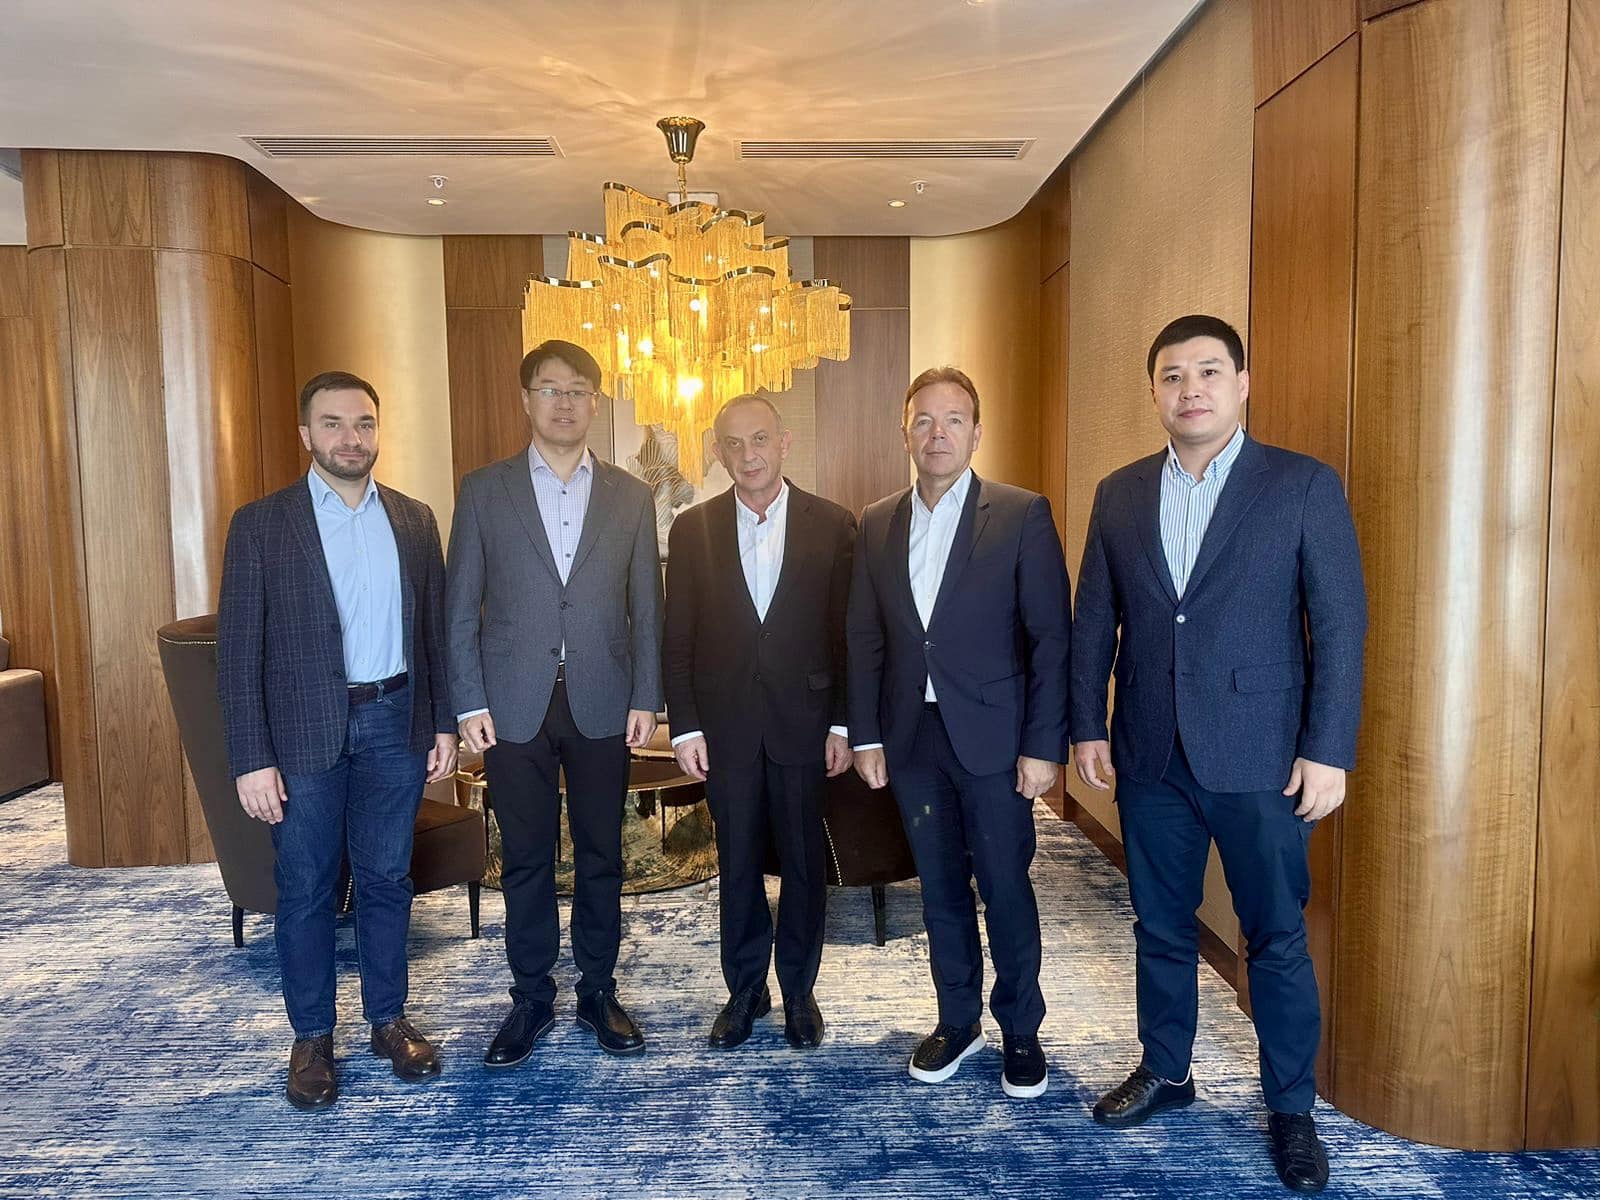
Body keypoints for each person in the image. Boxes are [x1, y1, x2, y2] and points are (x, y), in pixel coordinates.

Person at [1069, 314, 1367, 1194]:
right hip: (1151, 754)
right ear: (1154, 393)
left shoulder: (1301, 485)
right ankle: (1168, 1070)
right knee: (1159, 926)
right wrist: (1087, 724)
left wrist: (1328, 748)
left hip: (1264, 757)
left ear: (1241, 385)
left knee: (1274, 936)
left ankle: (1291, 1108)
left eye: (1207, 372)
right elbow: (1094, 621)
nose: (1189, 389)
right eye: (1172, 376)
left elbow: (1339, 624)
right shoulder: (1120, 493)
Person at [218, 370, 457, 1110]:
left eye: (363, 424)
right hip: (300, 735)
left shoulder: (415, 520)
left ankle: (388, 1020)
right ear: (306, 435)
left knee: (387, 878)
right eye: (333, 424)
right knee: (307, 887)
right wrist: (251, 758)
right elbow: (238, 654)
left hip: (395, 720)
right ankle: (313, 1038)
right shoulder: (261, 525)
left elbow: (434, 632)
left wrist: (442, 721)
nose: (351, 438)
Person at [846, 366, 1071, 1099]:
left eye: (953, 420)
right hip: (913, 739)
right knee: (939, 887)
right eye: (923, 420)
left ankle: (1021, 1030)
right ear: (904, 432)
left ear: (976, 433)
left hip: (996, 741)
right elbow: (864, 637)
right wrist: (867, 736)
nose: (937, 433)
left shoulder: (1021, 513)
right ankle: (958, 1020)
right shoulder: (876, 521)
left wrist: (1043, 745)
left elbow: (1050, 638)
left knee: (1004, 885)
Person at [446, 339, 663, 1065]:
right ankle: (531, 997)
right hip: (512, 703)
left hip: (605, 699)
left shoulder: (631, 495)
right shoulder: (484, 490)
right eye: (549, 388)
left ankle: (598, 991)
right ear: (526, 400)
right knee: (526, 858)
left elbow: (648, 607)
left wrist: (648, 695)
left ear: (595, 404)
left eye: (577, 390)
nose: (563, 402)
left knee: (604, 854)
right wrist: (468, 700)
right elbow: (460, 606)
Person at [663, 394, 856, 1050]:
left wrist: (843, 724)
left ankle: (799, 989)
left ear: (785, 442)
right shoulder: (692, 529)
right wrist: (685, 727)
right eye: (734, 443)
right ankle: (746, 989)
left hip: (806, 724)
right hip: (726, 731)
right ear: (719, 452)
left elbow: (848, 636)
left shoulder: (834, 525)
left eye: (760, 439)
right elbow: (678, 638)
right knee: (738, 863)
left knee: (804, 863)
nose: (749, 455)